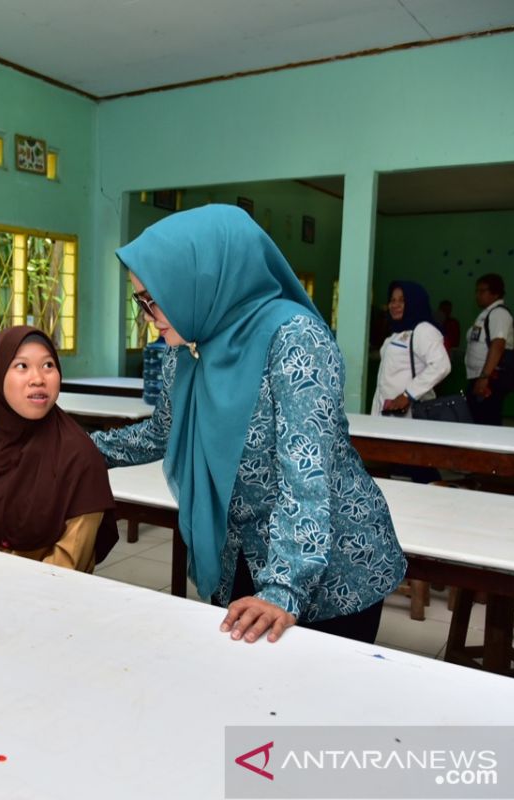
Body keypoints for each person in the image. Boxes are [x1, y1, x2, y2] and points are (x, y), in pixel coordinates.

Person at [93, 205, 406, 645]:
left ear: (198, 280)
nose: (147, 315)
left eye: (152, 299)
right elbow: (164, 431)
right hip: (241, 552)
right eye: (139, 302)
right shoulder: (187, 347)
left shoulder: (294, 338)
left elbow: (307, 474)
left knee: (312, 706)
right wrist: (83, 450)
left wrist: (283, 588)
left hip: (329, 569)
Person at [0, 326, 117, 572]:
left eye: (48, 365)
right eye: (22, 366)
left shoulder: (78, 457)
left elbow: (66, 566)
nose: (38, 378)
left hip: (54, 597)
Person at [370, 280, 451, 417]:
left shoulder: (423, 330)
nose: (395, 305)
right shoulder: (396, 333)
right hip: (387, 411)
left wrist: (408, 394)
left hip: (409, 414)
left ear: (415, 303)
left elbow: (441, 366)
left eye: (402, 301)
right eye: (392, 300)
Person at [463, 272, 514, 425]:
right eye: (477, 291)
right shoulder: (486, 314)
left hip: (490, 377)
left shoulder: (499, 313)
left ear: (495, 293)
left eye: (482, 291)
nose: (477, 295)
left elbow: (498, 345)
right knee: (476, 418)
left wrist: (484, 377)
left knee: (486, 420)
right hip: (480, 376)